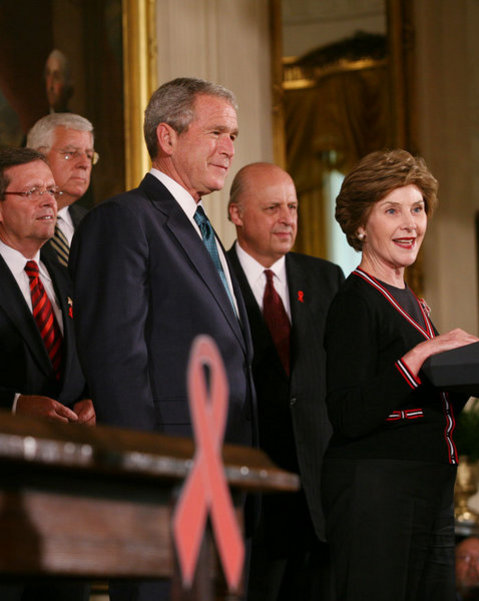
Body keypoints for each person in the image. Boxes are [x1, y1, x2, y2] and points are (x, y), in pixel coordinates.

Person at [69, 77, 255, 601]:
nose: (230, 148)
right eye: (216, 131)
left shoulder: (206, 232)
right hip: (168, 482)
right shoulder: (124, 219)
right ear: (167, 137)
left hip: (223, 478)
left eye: (234, 135)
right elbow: (115, 359)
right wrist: (147, 476)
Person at [321, 149, 479, 601]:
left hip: (429, 488)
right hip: (378, 492)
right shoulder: (355, 301)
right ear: (359, 225)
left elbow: (427, 405)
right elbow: (348, 413)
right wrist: (419, 357)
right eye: (392, 210)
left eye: (417, 208)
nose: (410, 223)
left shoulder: (418, 306)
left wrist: (471, 371)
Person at [227, 162, 343, 600]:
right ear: (236, 213)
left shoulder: (326, 278)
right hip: (248, 503)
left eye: (292, 206)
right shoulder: (211, 277)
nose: (288, 218)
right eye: (273, 207)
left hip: (317, 505)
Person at [0, 146, 94, 601]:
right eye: (32, 191)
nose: (48, 201)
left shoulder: (67, 272)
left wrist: (97, 398)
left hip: (67, 494)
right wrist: (16, 405)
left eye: (51, 191)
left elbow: (90, 356)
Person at [26, 112, 97, 266]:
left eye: (89, 156)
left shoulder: (93, 223)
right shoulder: (13, 219)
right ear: (38, 157)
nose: (84, 164)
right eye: (71, 153)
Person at [44, 49, 73, 114]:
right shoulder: (39, 120)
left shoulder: (74, 123)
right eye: (48, 74)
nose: (50, 86)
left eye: (56, 77)